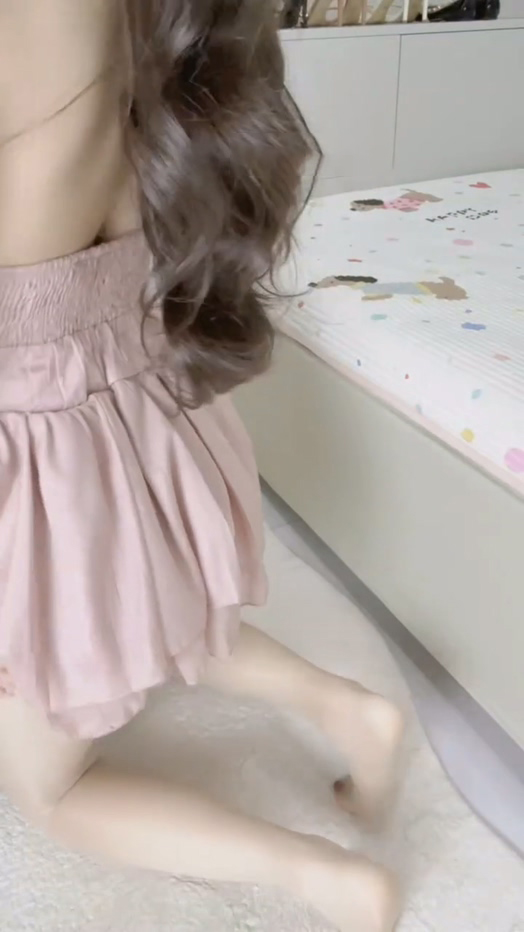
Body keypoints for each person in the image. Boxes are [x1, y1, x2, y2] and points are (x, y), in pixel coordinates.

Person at [0, 2, 404, 929]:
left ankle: (333, 882)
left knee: (55, 788)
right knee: (146, 608)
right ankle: (349, 710)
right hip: (128, 381)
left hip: (34, 428)